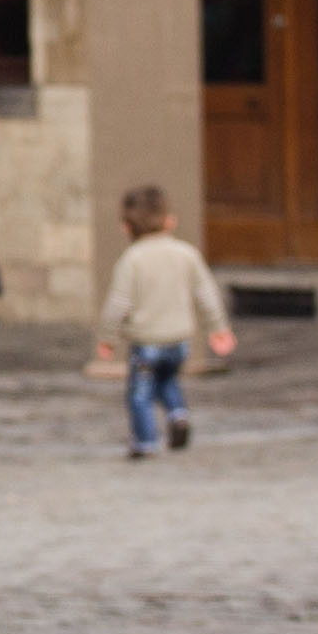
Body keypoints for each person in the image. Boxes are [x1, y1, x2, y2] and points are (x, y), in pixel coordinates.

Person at [97, 188, 233, 453]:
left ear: (126, 227)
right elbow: (206, 294)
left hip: (147, 341)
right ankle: (178, 414)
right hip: (180, 339)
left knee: (140, 392)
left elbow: (118, 304)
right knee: (168, 380)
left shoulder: (132, 259)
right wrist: (218, 328)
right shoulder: (186, 254)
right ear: (170, 220)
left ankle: (146, 440)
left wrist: (107, 336)